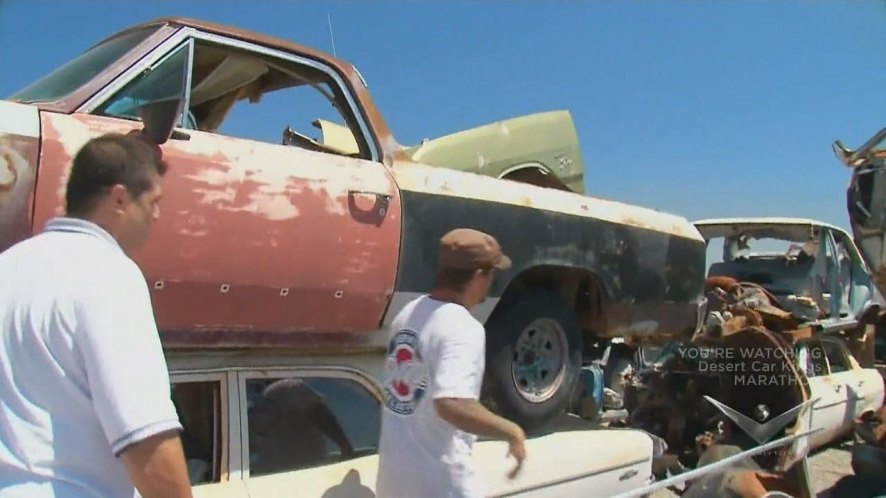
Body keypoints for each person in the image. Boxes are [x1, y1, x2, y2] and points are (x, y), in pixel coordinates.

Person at [0, 133, 193, 498]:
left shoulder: (8, 266)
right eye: (153, 201)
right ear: (119, 198)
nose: (157, 215)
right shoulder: (108, 274)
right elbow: (146, 437)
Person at [376, 228, 527, 498]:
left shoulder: (407, 314)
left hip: (394, 484)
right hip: (441, 486)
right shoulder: (463, 328)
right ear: (480, 275)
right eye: (492, 273)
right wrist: (511, 431)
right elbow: (452, 403)